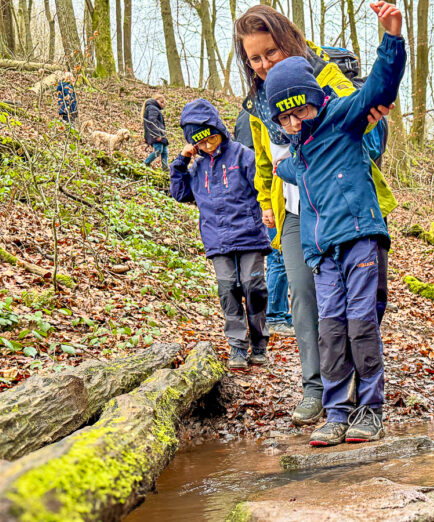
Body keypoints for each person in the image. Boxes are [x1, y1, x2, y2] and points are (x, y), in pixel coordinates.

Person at [233, 4, 397, 426]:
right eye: (255, 58)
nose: (265, 63)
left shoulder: (325, 73)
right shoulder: (256, 103)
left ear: (288, 41)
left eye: (271, 51)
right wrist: (266, 202)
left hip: (345, 207)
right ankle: (317, 389)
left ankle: (365, 394)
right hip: (294, 210)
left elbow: (368, 133)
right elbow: (265, 159)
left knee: (359, 309)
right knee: (306, 300)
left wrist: (373, 121)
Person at [170, 99, 272, 369]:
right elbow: (180, 193)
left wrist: (267, 210)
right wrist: (182, 161)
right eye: (200, 143)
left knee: (254, 288)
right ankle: (237, 346)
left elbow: (263, 186)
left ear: (219, 130)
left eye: (211, 138)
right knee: (228, 290)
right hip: (218, 239)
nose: (208, 146)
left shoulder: (242, 155)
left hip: (250, 234)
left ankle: (259, 344)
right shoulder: (198, 167)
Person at [235, 109, 295, 338]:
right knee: (278, 255)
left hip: (265, 194)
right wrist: (265, 201)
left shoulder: (250, 113)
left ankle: (279, 313)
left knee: (278, 256)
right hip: (267, 194)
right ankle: (275, 315)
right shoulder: (256, 114)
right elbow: (260, 160)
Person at [142, 94, 169, 171]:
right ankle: (145, 163)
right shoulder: (152, 108)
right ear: (156, 100)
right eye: (161, 102)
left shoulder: (153, 108)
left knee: (165, 152)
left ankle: (165, 168)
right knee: (158, 150)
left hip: (159, 133)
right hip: (156, 134)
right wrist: (157, 135)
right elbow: (151, 122)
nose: (162, 104)